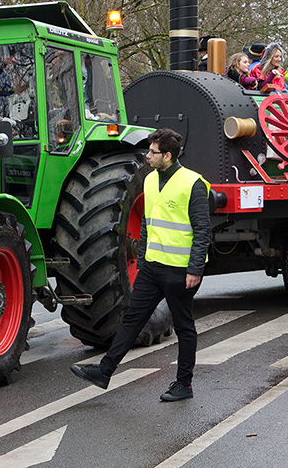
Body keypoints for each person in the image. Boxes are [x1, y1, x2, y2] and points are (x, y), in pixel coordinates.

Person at [71, 128, 211, 402]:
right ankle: (104, 372)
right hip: (152, 268)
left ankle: (184, 385)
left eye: (153, 152)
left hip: (180, 272)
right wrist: (145, 257)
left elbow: (202, 231)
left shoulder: (191, 183)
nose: (148, 156)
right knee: (132, 319)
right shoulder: (149, 180)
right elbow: (148, 223)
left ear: (167, 156)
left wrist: (195, 269)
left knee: (184, 327)